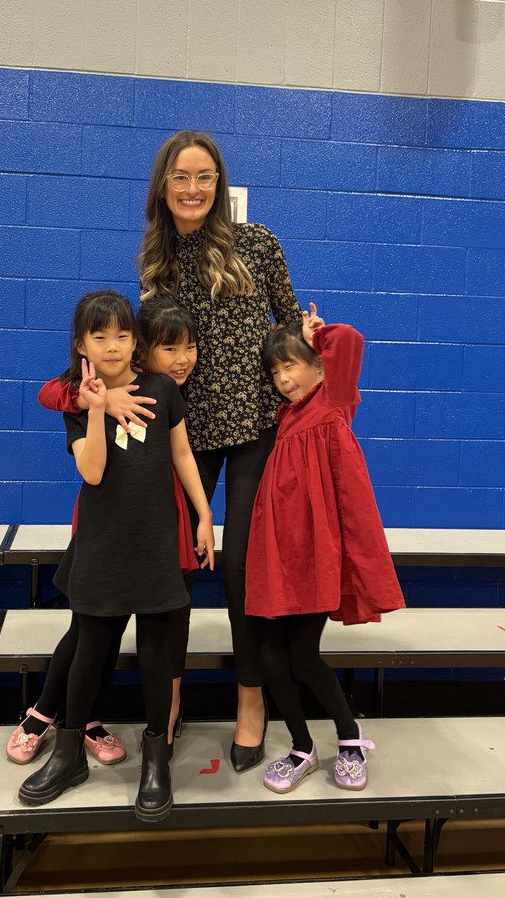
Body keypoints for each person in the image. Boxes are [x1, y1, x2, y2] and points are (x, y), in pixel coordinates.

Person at [138, 130, 301, 772]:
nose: (193, 188)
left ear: (219, 184)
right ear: (164, 185)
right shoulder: (156, 262)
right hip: (188, 432)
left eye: (205, 177)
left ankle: (252, 703)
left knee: (241, 568)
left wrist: (305, 336)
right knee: (177, 567)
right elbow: (152, 356)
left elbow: (288, 321)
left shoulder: (257, 242)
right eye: (182, 176)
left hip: (258, 423)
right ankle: (169, 703)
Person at [18, 291, 214, 822]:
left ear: (137, 341)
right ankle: (68, 754)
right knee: (90, 651)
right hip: (103, 547)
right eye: (99, 336)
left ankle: (157, 759)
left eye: (123, 335)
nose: (113, 346)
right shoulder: (78, 400)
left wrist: (203, 515)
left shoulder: (162, 390)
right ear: (80, 343)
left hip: (156, 546)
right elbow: (94, 473)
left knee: (156, 654)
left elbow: (181, 454)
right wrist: (97, 408)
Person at [245, 306, 405, 794]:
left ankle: (350, 738)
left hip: (317, 555)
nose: (283, 378)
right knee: (269, 655)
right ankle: (301, 747)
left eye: (291, 364)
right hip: (279, 552)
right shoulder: (286, 418)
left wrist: (320, 335)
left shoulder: (334, 402)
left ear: (318, 365)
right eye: (275, 371)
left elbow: (352, 341)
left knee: (302, 654)